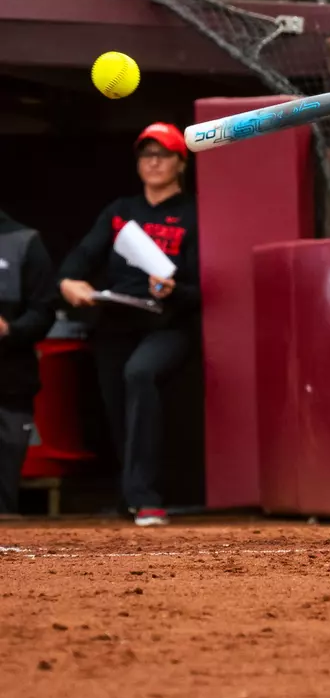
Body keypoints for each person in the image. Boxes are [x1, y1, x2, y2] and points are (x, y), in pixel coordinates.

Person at [59, 122, 200, 526]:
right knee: (117, 404)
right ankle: (131, 494)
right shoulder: (121, 210)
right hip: (117, 319)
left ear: (180, 162)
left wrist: (171, 290)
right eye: (146, 155)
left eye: (163, 155)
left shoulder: (194, 212)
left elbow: (203, 289)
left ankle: (146, 497)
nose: (154, 163)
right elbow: (77, 263)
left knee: (140, 373)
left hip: (168, 322)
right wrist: (71, 284)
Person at [0, 211, 56, 516]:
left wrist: (10, 329)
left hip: (9, 381)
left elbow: (44, 310)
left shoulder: (23, 240)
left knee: (3, 498)